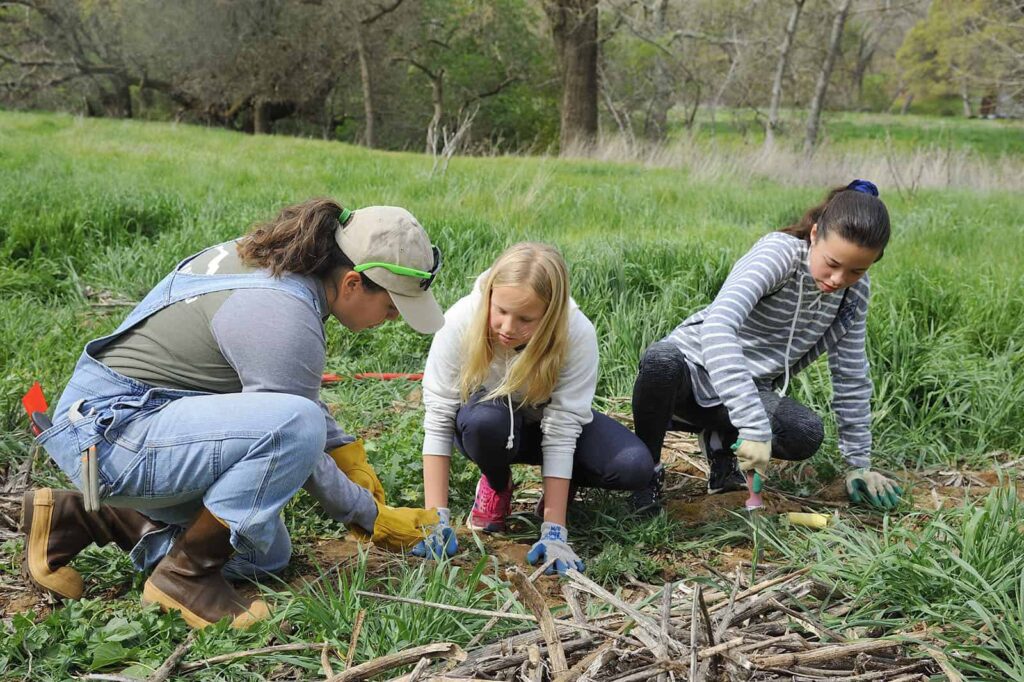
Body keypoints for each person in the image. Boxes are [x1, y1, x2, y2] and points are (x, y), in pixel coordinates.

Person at [22, 198, 445, 629]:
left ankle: (81, 517)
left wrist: (347, 456)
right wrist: (372, 518)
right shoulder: (283, 313)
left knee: (264, 553)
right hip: (113, 436)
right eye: (392, 307)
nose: (392, 319)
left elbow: (287, 392)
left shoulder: (285, 271)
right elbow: (295, 428)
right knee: (297, 427)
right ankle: (185, 578)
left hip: (128, 425)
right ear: (353, 282)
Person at [631, 180, 903, 511]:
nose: (837, 279)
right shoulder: (780, 254)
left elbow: (850, 376)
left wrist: (858, 463)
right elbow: (719, 325)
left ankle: (720, 443)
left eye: (855, 271)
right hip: (689, 372)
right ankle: (647, 472)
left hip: (747, 388)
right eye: (831, 264)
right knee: (661, 359)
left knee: (805, 433)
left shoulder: (852, 296)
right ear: (815, 234)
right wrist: (753, 425)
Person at [412, 242, 657, 574]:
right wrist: (435, 518)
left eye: (525, 318)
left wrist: (555, 530)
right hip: (494, 425)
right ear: (489, 296)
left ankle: (560, 491)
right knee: (484, 423)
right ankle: (497, 482)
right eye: (500, 310)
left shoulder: (577, 333)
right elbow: (440, 418)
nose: (508, 327)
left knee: (633, 466)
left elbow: (562, 428)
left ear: (550, 314)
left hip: (547, 424)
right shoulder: (460, 320)